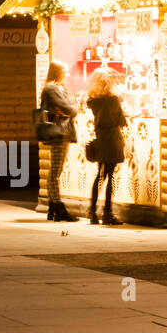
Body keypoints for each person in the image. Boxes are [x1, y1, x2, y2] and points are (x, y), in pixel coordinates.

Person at [85, 67, 128, 226]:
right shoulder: (114, 100)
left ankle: (92, 212)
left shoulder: (93, 101)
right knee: (110, 177)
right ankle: (107, 213)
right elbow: (121, 121)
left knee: (99, 176)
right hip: (112, 140)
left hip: (100, 139)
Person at [39, 61, 79, 222]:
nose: (67, 74)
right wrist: (72, 108)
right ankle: (57, 205)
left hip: (60, 131)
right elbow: (70, 108)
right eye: (65, 71)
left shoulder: (55, 87)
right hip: (58, 132)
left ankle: (52, 206)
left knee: (55, 170)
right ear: (57, 72)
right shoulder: (52, 88)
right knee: (55, 170)